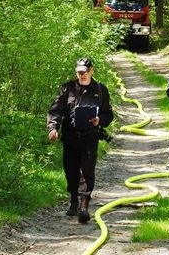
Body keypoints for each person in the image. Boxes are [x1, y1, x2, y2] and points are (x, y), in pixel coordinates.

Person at [47, 58, 114, 223]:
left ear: (91, 71)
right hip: (70, 138)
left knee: (87, 171)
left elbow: (108, 114)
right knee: (71, 171)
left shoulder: (100, 90)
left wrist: (100, 119)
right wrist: (53, 128)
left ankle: (84, 206)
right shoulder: (67, 89)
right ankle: (74, 201)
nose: (82, 75)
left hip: (90, 137)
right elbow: (55, 111)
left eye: (85, 71)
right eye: (79, 72)